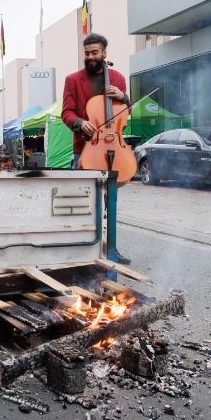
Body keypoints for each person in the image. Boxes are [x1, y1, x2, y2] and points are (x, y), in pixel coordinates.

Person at [61, 32, 132, 265]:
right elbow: (67, 113)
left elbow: (125, 113)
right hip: (84, 147)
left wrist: (124, 97)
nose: (90, 57)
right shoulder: (72, 80)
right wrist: (80, 122)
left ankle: (110, 249)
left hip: (113, 147)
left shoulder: (118, 78)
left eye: (95, 53)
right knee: (81, 202)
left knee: (110, 203)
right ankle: (80, 252)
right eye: (87, 53)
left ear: (104, 53)